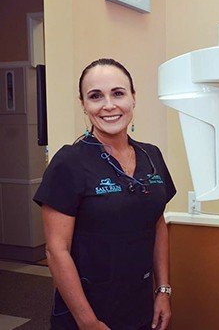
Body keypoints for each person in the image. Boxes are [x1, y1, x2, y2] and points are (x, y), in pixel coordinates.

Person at [34, 58, 176, 329]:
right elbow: (56, 250)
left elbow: (158, 224)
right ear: (84, 105)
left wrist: (163, 291)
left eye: (118, 93)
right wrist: (86, 321)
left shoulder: (152, 156)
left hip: (139, 303)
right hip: (87, 309)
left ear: (133, 98)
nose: (108, 105)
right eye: (95, 96)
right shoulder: (69, 162)